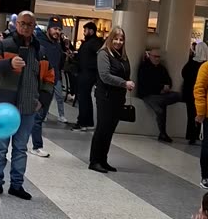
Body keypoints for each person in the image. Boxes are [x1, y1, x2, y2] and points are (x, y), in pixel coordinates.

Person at [0, 11, 55, 200]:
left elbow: (49, 77)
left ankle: (17, 184)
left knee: (21, 148)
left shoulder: (40, 50)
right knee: (1, 146)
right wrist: (8, 63)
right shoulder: (4, 44)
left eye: (29, 24)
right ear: (16, 25)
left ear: (34, 27)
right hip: (6, 107)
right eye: (22, 23)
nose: (25, 27)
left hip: (28, 107)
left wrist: (42, 100)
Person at [88, 27, 134, 173]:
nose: (118, 42)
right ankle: (94, 161)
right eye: (116, 38)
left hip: (118, 98)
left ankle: (103, 159)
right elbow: (105, 76)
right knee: (102, 128)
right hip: (105, 97)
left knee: (110, 130)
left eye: (121, 39)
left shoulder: (122, 56)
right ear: (110, 39)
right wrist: (124, 83)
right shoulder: (104, 54)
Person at [30, 17, 66, 158]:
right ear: (49, 28)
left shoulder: (57, 44)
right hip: (39, 83)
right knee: (38, 116)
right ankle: (37, 146)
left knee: (41, 115)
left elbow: (58, 63)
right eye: (55, 28)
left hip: (52, 82)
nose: (57, 32)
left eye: (59, 29)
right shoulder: (39, 42)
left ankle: (32, 142)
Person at [138, 49, 181, 143]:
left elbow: (169, 80)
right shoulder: (144, 67)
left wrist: (167, 87)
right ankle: (163, 133)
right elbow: (146, 84)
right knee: (160, 110)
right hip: (148, 95)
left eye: (158, 57)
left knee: (179, 95)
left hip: (161, 95)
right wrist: (161, 87)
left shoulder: (161, 68)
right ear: (150, 56)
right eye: (155, 56)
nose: (157, 59)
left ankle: (163, 133)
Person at [72, 22, 103, 131]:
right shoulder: (89, 42)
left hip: (88, 73)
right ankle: (86, 121)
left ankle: (83, 122)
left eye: (85, 30)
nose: (84, 32)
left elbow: (100, 55)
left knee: (83, 98)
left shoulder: (94, 43)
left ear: (91, 31)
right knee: (84, 98)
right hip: (84, 72)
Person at [183, 42, 208, 145]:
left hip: (190, 94)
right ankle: (198, 135)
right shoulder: (204, 65)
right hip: (203, 97)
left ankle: (192, 135)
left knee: (191, 115)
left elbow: (184, 74)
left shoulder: (191, 64)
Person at [194, 61, 208, 189]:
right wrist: (201, 111)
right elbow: (199, 90)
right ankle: (205, 176)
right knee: (207, 146)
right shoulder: (206, 67)